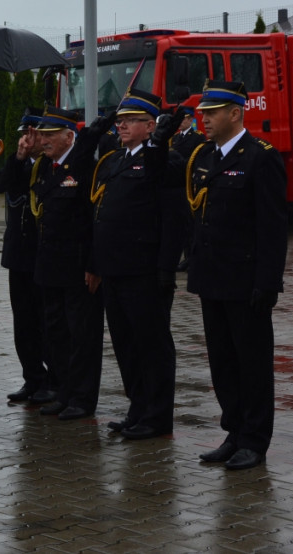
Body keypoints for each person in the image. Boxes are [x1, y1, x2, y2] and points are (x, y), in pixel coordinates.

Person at [186, 80, 287, 471]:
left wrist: (268, 281)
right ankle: (235, 430)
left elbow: (273, 227)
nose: (204, 119)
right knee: (223, 362)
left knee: (252, 363)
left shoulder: (260, 157)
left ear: (235, 113)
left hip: (246, 281)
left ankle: (255, 440)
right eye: (203, 112)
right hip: (212, 278)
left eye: (212, 113)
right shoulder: (205, 156)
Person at [85, 90, 185, 439]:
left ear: (150, 126)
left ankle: (157, 417)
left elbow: (173, 220)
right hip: (115, 269)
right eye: (120, 120)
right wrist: (96, 264)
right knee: (126, 345)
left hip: (145, 270)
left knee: (152, 345)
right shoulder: (114, 160)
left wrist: (166, 268)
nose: (121, 124)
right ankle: (138, 408)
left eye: (130, 120)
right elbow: (101, 216)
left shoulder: (165, 161)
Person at [17, 106, 104, 421]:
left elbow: (95, 223)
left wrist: (94, 266)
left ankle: (82, 398)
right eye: (42, 134)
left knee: (82, 337)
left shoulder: (84, 168)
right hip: (50, 267)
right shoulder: (47, 169)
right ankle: (64, 393)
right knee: (56, 336)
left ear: (70, 136)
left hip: (78, 268)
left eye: (51, 134)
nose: (44, 139)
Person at [0, 108, 51, 403]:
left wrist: (24, 160)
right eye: (23, 134)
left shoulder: (49, 163)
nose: (26, 139)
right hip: (18, 255)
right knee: (24, 322)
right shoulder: (16, 162)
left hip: (42, 254)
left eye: (31, 133)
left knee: (45, 321)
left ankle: (51, 378)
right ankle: (32, 377)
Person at [170, 106, 205, 271]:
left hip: (190, 183)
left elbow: (198, 157)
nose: (181, 122)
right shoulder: (175, 138)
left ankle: (193, 257)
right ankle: (186, 256)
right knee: (183, 222)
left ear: (190, 119)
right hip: (179, 183)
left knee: (191, 222)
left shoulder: (197, 137)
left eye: (184, 119)